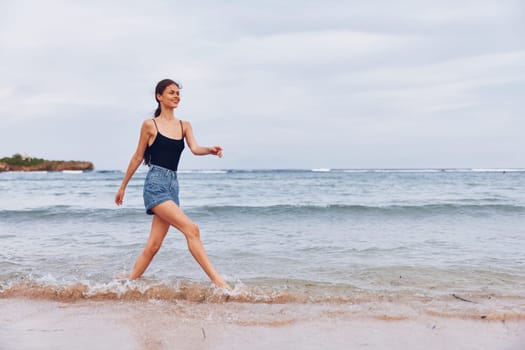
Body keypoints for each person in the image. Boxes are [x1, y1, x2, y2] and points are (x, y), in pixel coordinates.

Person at [115, 79, 230, 289]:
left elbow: (195, 148)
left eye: (178, 93)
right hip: (155, 184)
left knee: (154, 245)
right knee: (192, 230)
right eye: (171, 93)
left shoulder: (184, 125)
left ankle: (127, 285)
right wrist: (123, 186)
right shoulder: (150, 125)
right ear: (159, 96)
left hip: (172, 186)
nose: (176, 96)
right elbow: (137, 157)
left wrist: (210, 150)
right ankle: (219, 283)